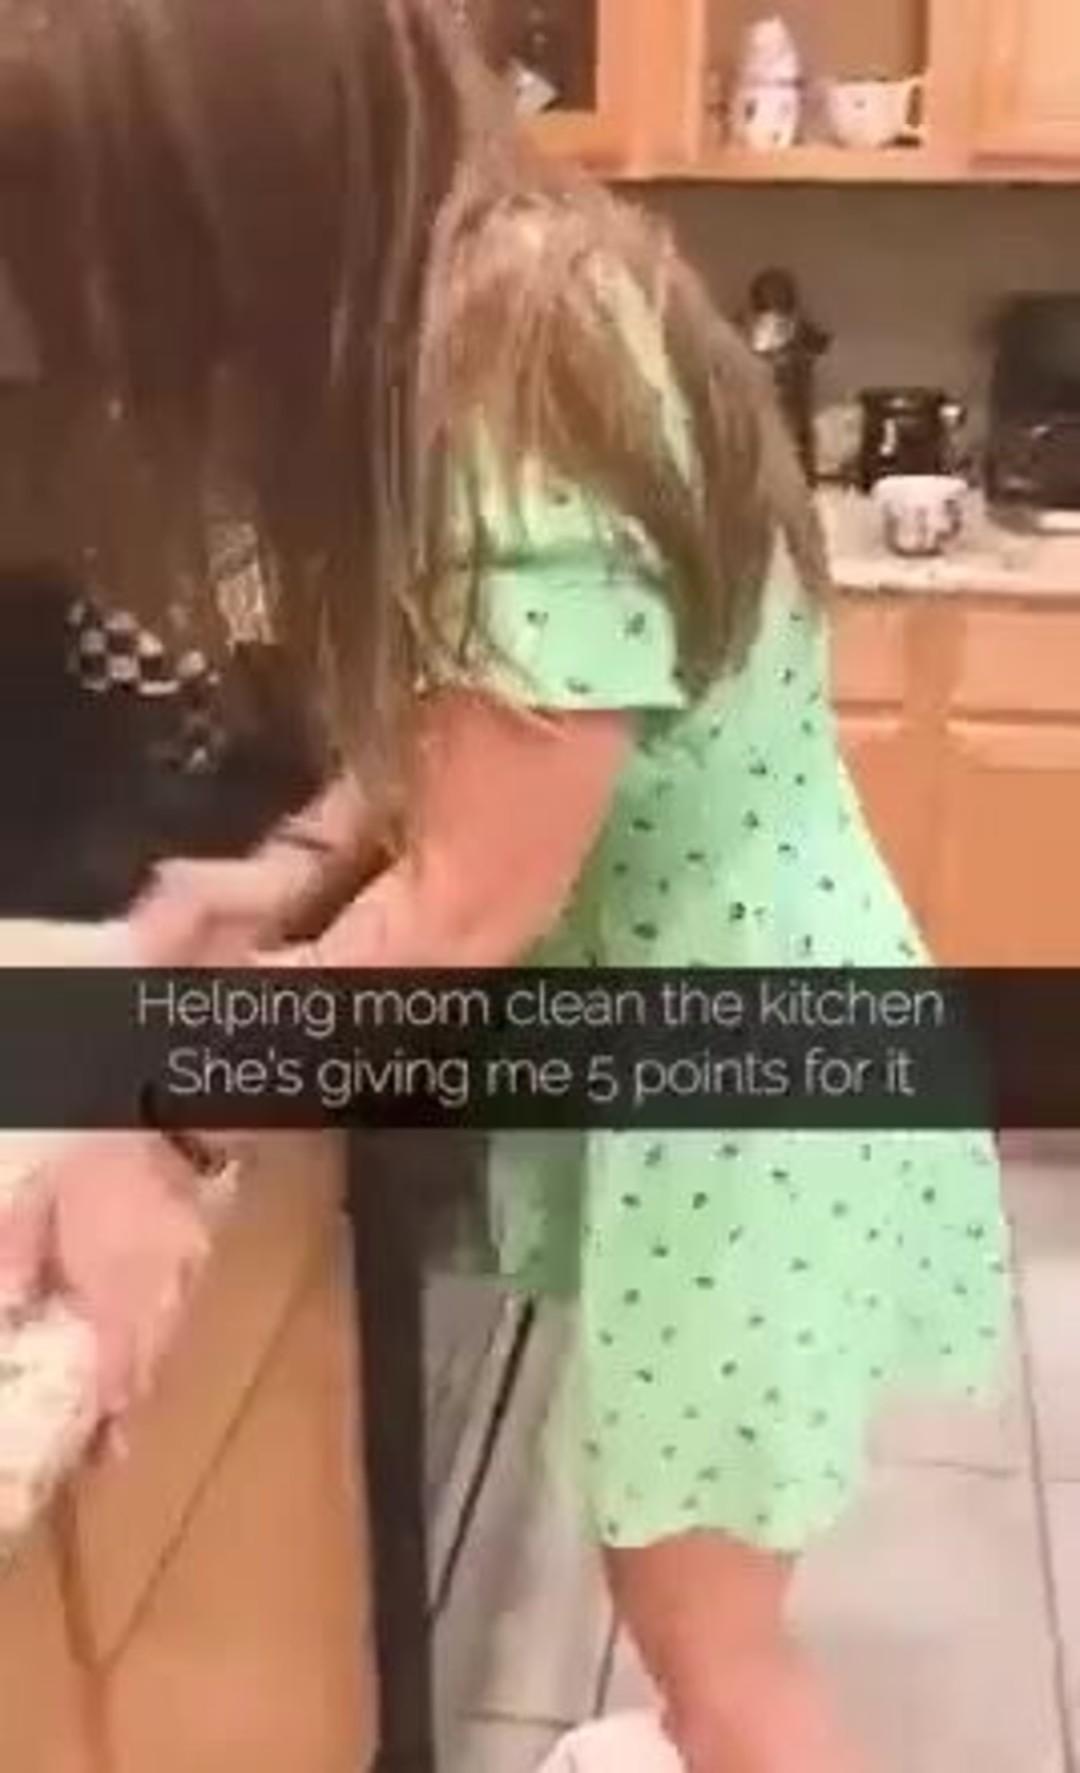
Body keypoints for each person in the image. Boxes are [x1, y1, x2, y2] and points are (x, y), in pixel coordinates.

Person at [0, 3, 1008, 1769]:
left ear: (228, 184)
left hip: (734, 1087)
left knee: (722, 1665)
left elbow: (469, 903)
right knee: (698, 1614)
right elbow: (488, 712)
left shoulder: (512, 370)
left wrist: (157, 1133)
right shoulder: (514, 282)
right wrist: (291, 872)